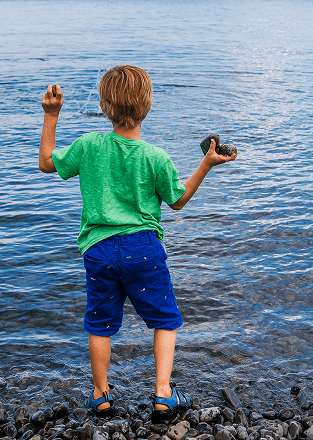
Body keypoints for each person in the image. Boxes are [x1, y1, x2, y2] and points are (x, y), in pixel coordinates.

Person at [37, 65, 237, 418]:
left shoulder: (88, 145)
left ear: (103, 106)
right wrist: (206, 164)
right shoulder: (155, 157)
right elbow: (177, 200)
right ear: (148, 106)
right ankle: (163, 394)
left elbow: (46, 163)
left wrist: (52, 115)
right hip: (143, 247)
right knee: (165, 320)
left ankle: (100, 396)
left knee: (100, 324)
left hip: (98, 249)